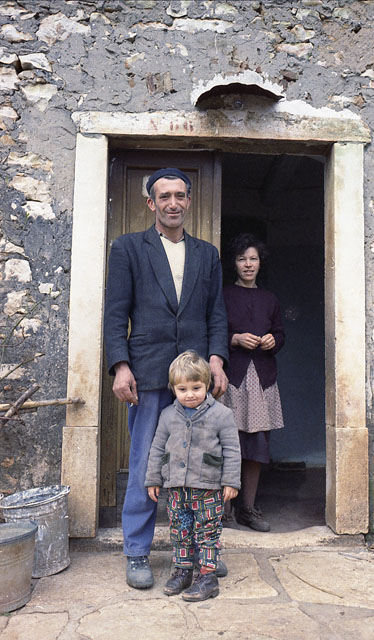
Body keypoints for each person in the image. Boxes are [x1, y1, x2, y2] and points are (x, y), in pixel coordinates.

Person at [104, 168, 229, 589]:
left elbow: (216, 313)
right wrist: (121, 366)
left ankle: (201, 552)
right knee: (147, 462)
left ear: (189, 201)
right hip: (148, 373)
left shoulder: (207, 254)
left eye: (179, 195)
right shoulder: (127, 248)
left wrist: (216, 360)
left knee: (202, 466)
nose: (172, 203)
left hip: (196, 378)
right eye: (164, 196)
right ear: (151, 203)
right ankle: (137, 552)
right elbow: (115, 313)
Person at [145, 351, 241, 602]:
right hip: (177, 490)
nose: (190, 394)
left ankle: (208, 577)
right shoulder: (167, 415)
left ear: (207, 385)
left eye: (196, 388)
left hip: (208, 489)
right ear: (173, 389)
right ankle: (183, 571)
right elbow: (157, 447)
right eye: (182, 389)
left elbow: (232, 449)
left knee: (208, 533)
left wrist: (231, 481)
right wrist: (153, 479)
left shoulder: (222, 415)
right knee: (180, 531)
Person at [221, 233, 285, 532]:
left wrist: (274, 340)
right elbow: (213, 331)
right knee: (227, 442)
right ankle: (224, 510)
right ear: (234, 264)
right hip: (231, 377)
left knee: (257, 444)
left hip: (262, 379)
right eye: (241, 259)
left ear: (261, 263)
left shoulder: (270, 299)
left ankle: (248, 508)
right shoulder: (224, 295)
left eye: (253, 259)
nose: (248, 264)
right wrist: (234, 339)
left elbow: (281, 333)